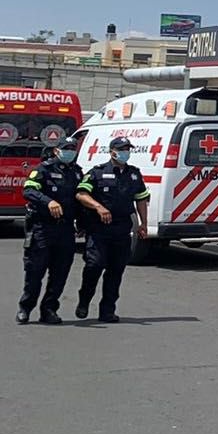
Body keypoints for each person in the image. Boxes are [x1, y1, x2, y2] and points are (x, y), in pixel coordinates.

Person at [74, 136, 149, 323]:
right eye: (122, 149)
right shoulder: (98, 172)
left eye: (128, 149)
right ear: (112, 151)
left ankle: (107, 310)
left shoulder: (134, 174)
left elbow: (141, 199)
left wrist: (143, 224)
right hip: (99, 229)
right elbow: (81, 194)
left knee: (116, 272)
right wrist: (98, 207)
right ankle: (84, 300)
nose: (126, 152)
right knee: (95, 265)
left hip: (122, 229)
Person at [17, 138, 83, 324]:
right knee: (35, 272)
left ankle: (49, 309)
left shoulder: (76, 173)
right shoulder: (43, 169)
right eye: (66, 148)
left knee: (60, 273)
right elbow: (29, 190)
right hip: (43, 228)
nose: (70, 151)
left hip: (65, 230)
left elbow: (80, 199)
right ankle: (25, 308)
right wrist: (49, 202)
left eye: (73, 148)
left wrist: (83, 223)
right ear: (56, 151)